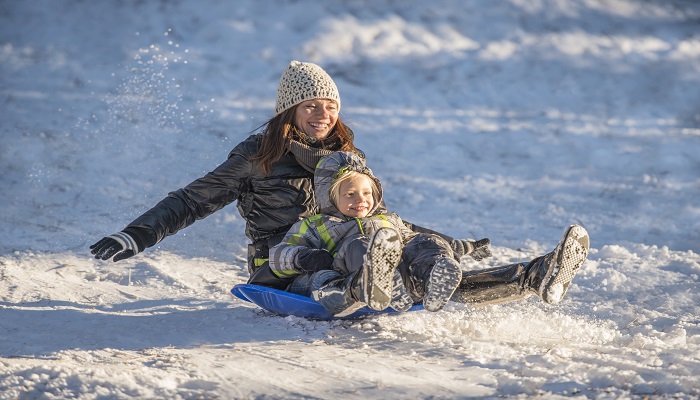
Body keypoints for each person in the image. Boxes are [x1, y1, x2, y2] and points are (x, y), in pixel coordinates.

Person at [90, 60, 589, 312]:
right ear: (290, 112)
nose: (322, 114)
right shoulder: (257, 157)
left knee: (418, 258)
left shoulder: (347, 157)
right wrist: (136, 235)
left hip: (357, 243)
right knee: (382, 262)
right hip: (293, 259)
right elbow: (190, 200)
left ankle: (534, 276)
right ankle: (376, 278)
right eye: (311, 106)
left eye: (329, 105)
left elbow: (380, 216)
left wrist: (448, 242)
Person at [268, 151, 466, 316]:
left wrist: (440, 252)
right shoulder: (316, 225)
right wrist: (302, 257)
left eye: (366, 193)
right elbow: (277, 256)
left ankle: (432, 279)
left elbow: (413, 242)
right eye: (350, 194)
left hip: (405, 279)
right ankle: (382, 283)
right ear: (330, 197)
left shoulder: (388, 220)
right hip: (352, 276)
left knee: (426, 241)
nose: (360, 199)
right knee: (360, 245)